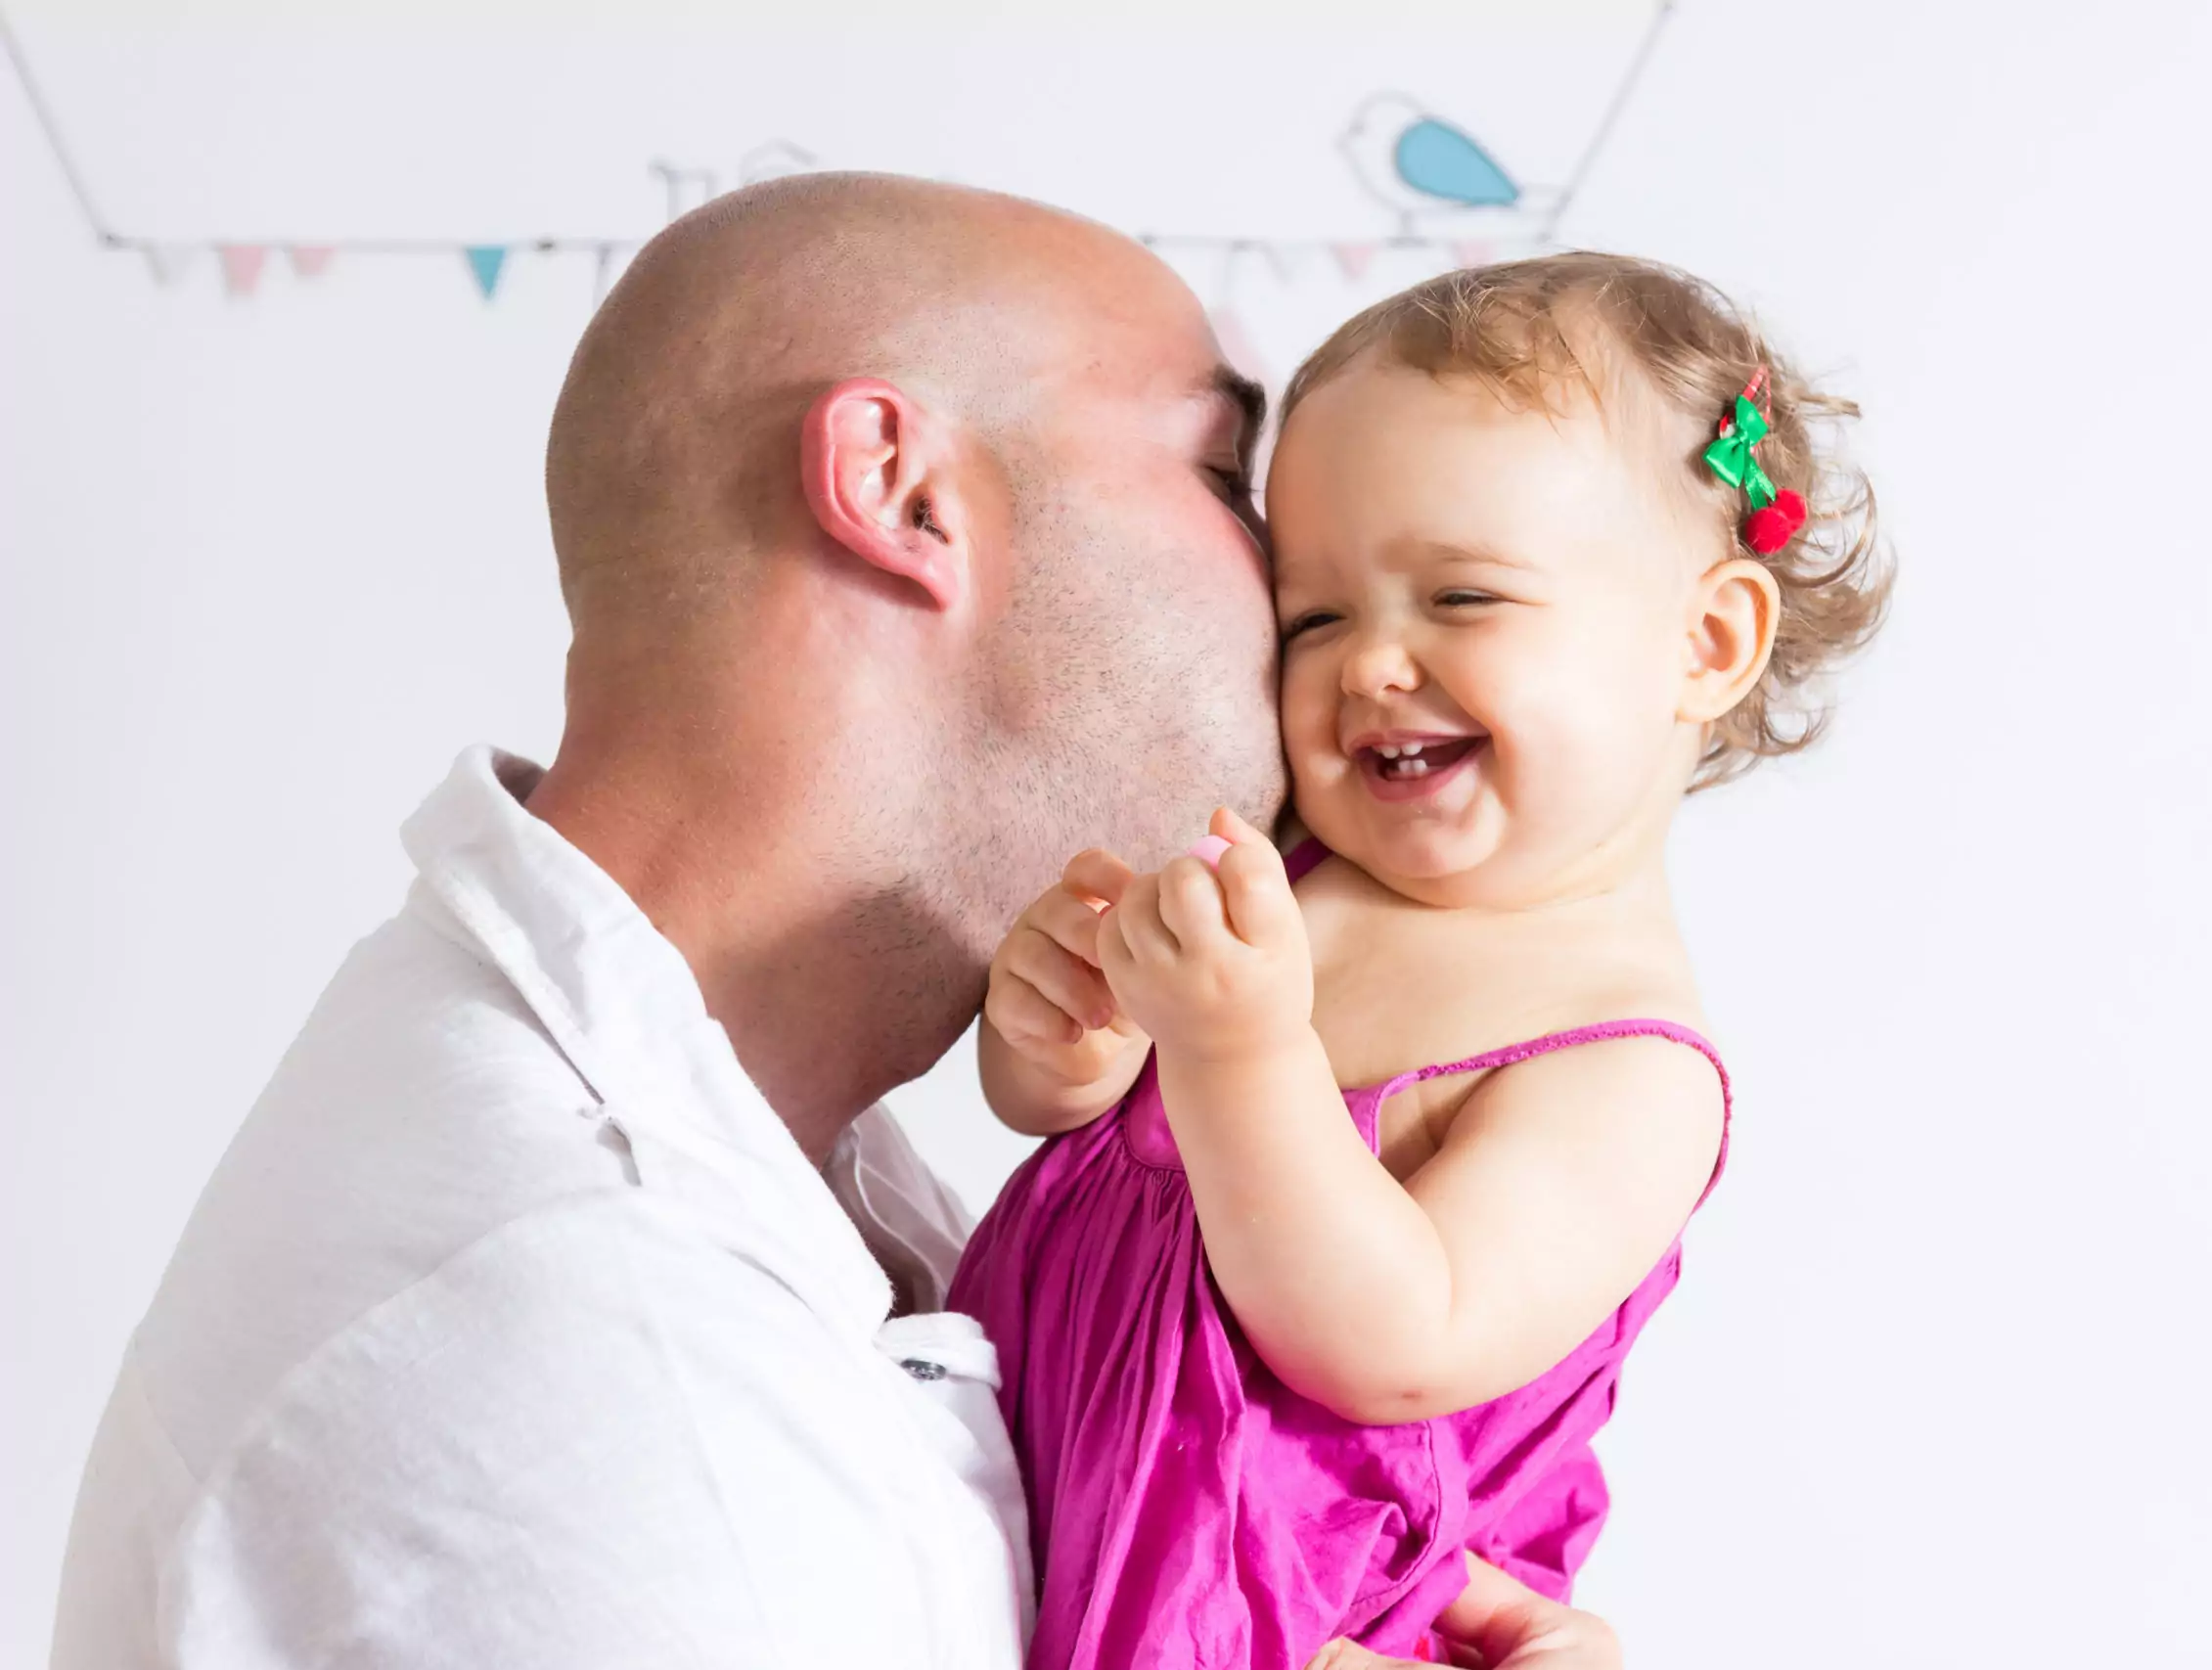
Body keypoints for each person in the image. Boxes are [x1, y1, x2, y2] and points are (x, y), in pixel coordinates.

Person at [48, 175, 1618, 1669]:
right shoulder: (604, 1358)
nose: (1305, 603)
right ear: (903, 492)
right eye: (1225, 478)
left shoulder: (746, 1164)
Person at [955, 253, 1894, 1668]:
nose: (1370, 665)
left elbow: (1394, 1334)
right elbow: (1081, 1131)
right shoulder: (1295, 870)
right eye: (1316, 615)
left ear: (1704, 643)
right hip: (1032, 1530)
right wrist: (1065, 1033)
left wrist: (1233, 1049)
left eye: (1460, 599)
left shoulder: (1625, 1066)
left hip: (1281, 1613)